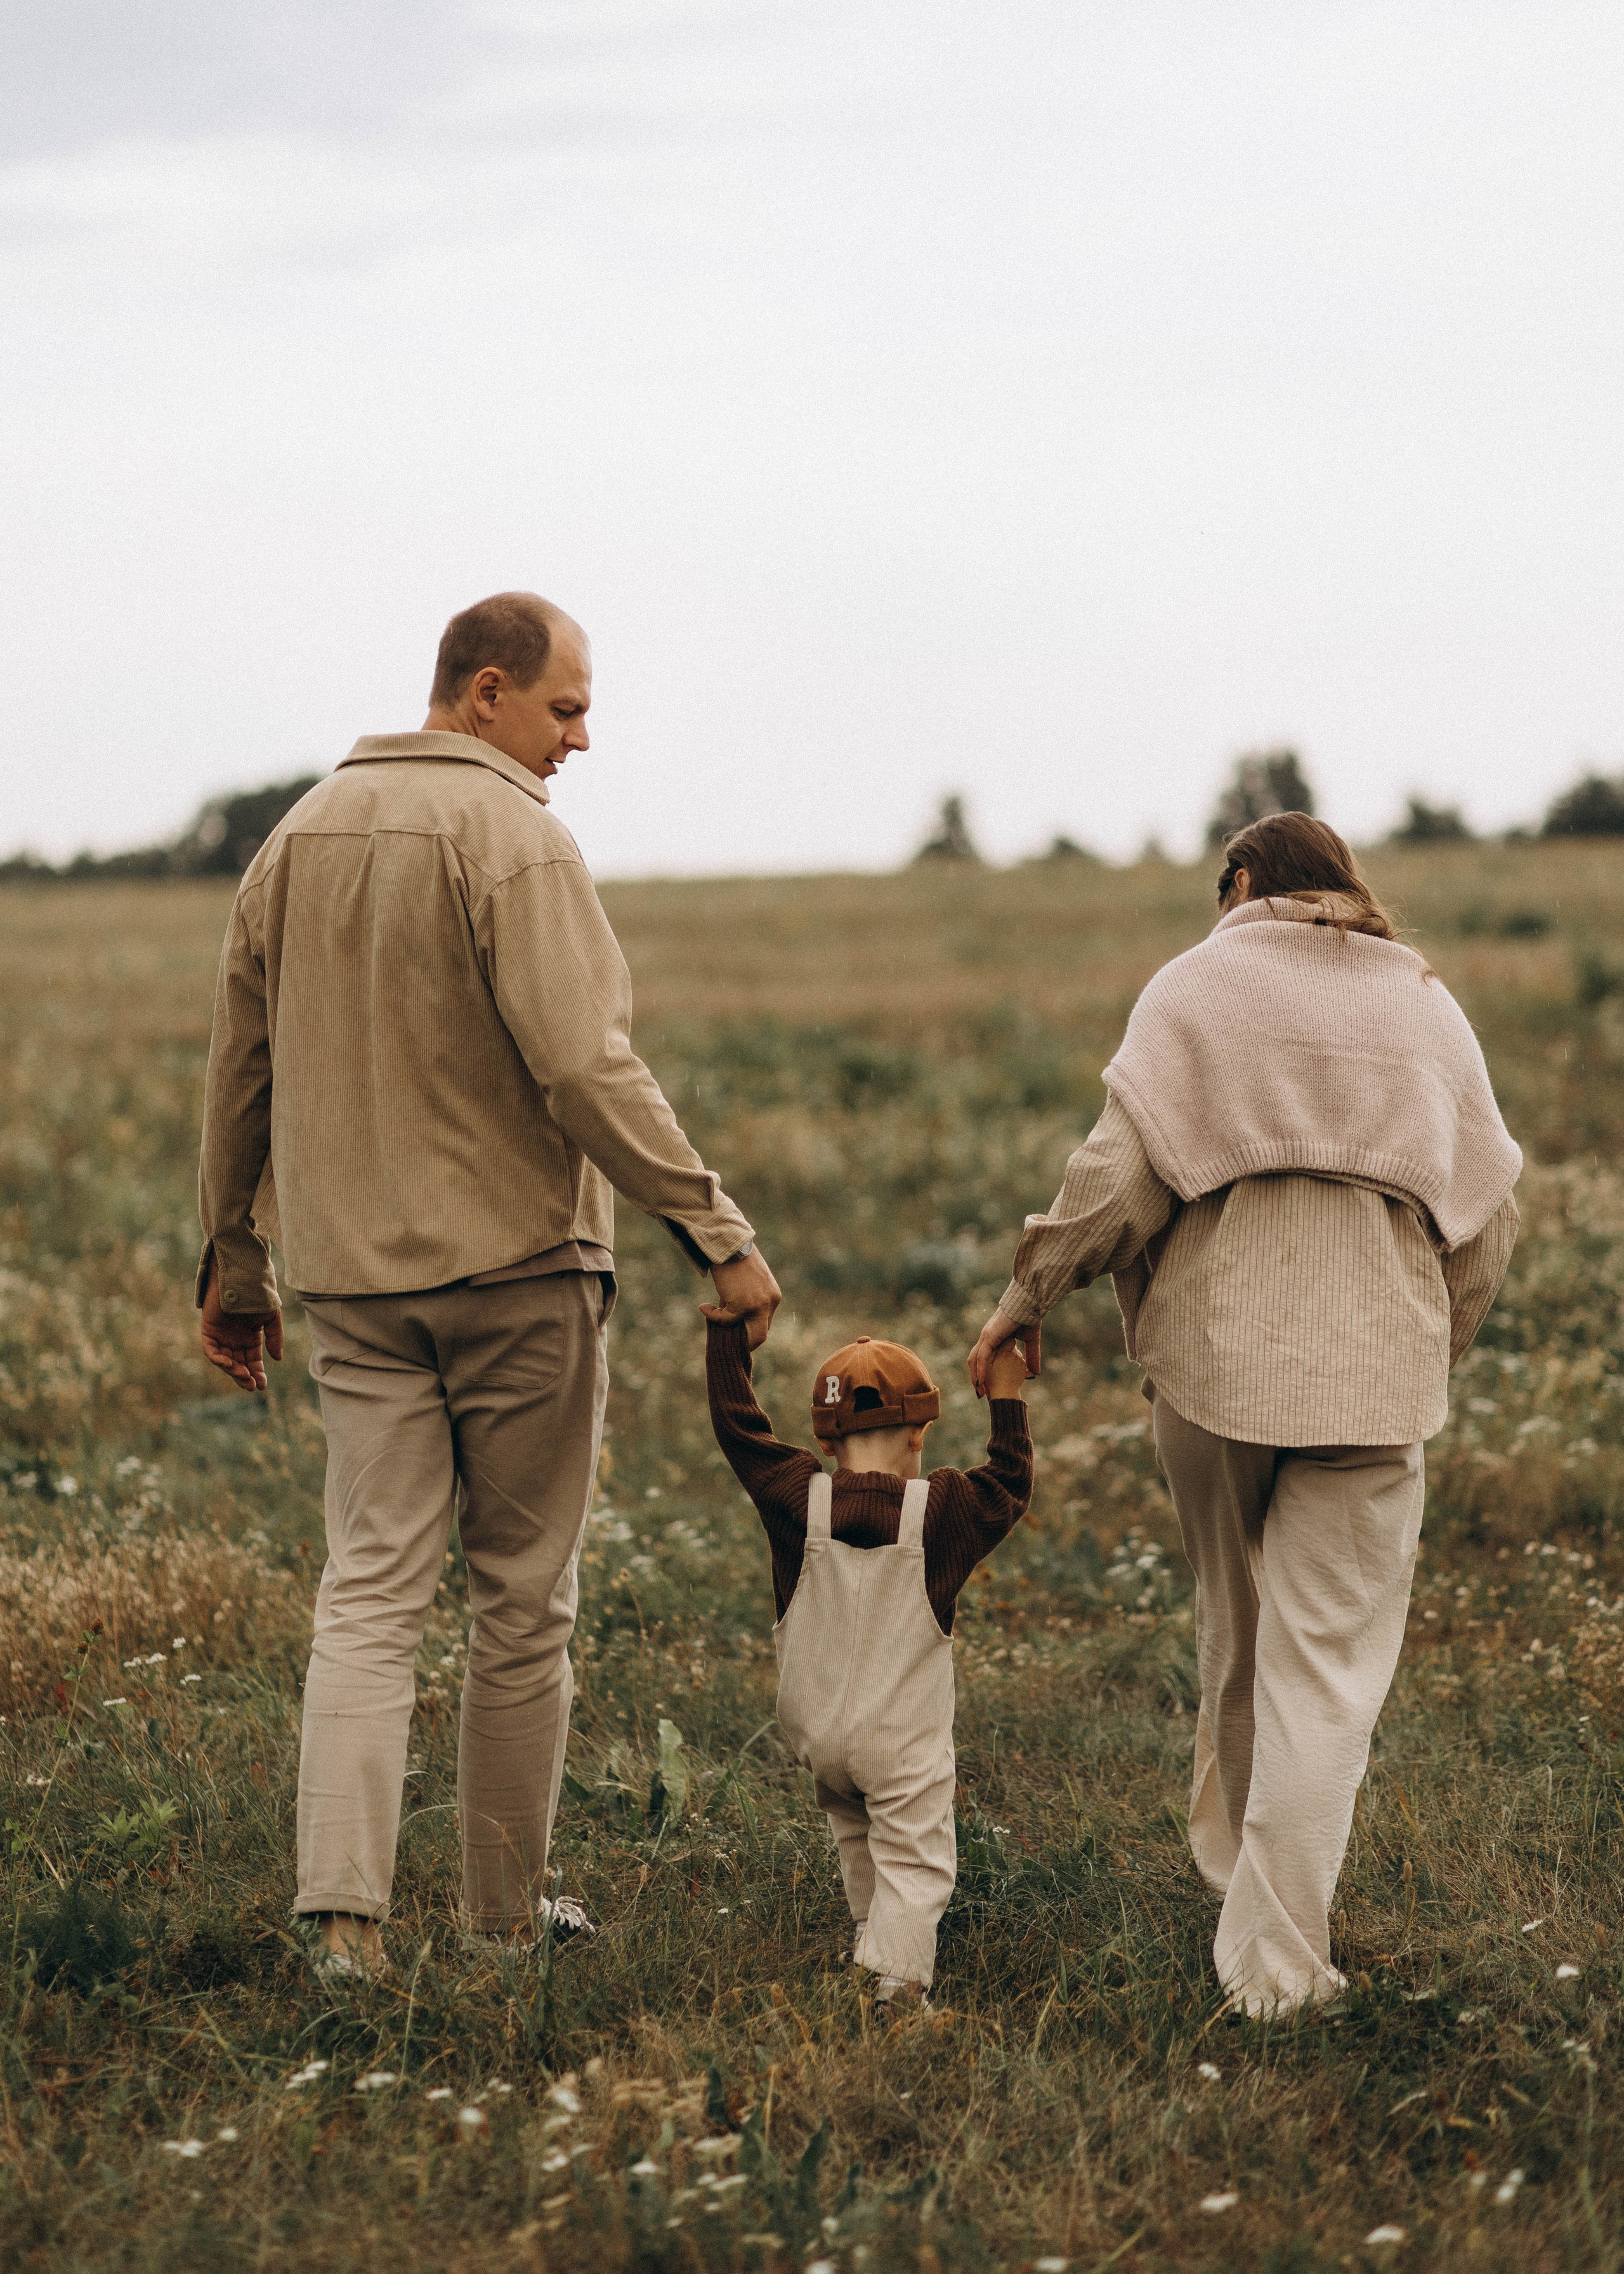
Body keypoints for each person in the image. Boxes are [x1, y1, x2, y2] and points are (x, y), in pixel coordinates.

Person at [197, 590, 781, 1978]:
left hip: (350, 1285)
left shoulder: (294, 837)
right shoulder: (515, 837)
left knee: (369, 1590)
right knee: (521, 1600)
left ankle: (344, 1926)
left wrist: (233, 1256)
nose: (579, 739)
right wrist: (715, 1229)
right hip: (521, 1272)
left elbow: (239, 1067)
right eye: (565, 708)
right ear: (485, 693)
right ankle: (504, 1926)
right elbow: (583, 1065)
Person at [967, 812, 1521, 2016]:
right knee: (1325, 1672)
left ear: (1244, 879)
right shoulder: (1425, 1002)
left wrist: (1027, 1296)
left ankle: (1238, 1889)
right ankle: (1276, 1965)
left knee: (1239, 1630)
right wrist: (1422, 1351)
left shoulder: (1197, 984)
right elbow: (1487, 1226)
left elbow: (1117, 1179)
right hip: (1375, 1377)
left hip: (1217, 1373)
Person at [704, 1317, 1033, 2002]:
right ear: (919, 1433)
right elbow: (1010, 1480)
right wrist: (1007, 1395)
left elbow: (739, 1429)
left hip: (815, 1732)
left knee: (855, 1826)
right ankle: (899, 1984)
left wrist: (729, 1340)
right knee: (915, 1855)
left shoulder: (795, 1496)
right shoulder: (944, 1509)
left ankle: (868, 1935)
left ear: (825, 1439)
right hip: (900, 1742)